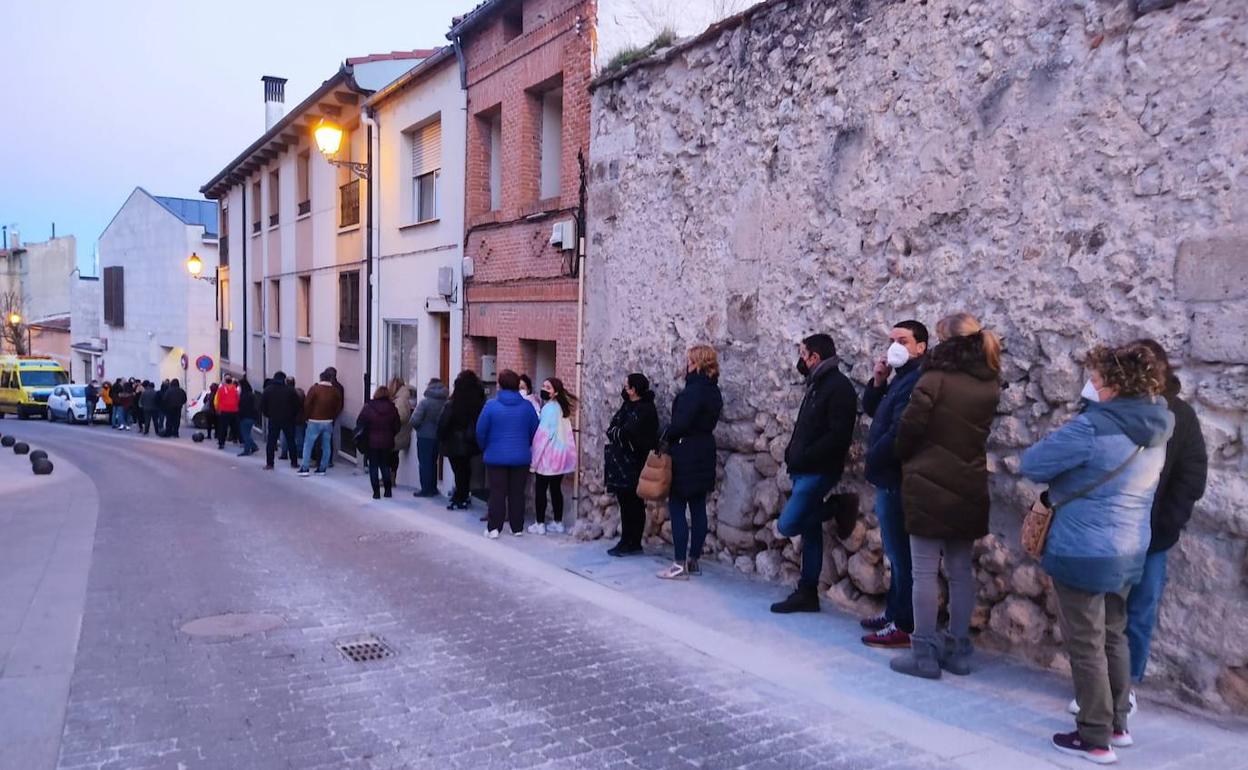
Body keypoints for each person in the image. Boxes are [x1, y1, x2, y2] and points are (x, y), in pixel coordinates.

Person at [1022, 341, 1173, 764]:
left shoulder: (1090, 427)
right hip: (1129, 547)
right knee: (1114, 633)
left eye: (1097, 377)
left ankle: (1094, 736)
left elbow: (1033, 464)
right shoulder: (1160, 424)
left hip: (1083, 549)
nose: (1091, 383)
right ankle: (1119, 723)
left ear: (1114, 384)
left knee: (1086, 643)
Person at [1064, 339, 1209, 717]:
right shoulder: (1103, 409)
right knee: (1097, 617)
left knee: (1138, 613)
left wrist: (1164, 527)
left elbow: (1191, 477)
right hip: (1101, 533)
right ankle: (1095, 692)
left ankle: (1124, 690)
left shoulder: (1179, 415)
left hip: (1151, 535)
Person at [887, 314, 1002, 678]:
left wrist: (905, 456)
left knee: (923, 572)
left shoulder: (933, 379)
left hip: (928, 483)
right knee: (959, 572)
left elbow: (909, 429)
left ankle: (922, 653)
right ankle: (959, 650)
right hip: (968, 483)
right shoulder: (990, 384)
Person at [769, 333, 858, 612]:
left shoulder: (838, 387)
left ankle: (835, 506)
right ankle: (808, 592)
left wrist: (805, 456)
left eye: (802, 354)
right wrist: (792, 454)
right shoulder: (817, 385)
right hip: (804, 468)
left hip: (817, 470)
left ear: (814, 358)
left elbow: (838, 434)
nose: (800, 360)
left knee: (787, 525)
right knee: (810, 530)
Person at [859, 319, 929, 648]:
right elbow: (874, 410)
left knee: (902, 556)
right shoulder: (902, 377)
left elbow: (900, 431)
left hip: (898, 478)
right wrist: (877, 381)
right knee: (895, 553)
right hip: (888, 477)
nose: (894, 346)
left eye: (902, 340)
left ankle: (904, 623)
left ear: (920, 347)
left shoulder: (918, 379)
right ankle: (894, 612)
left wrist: (873, 458)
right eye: (891, 340)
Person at [658, 345, 723, 580]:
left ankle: (678, 564)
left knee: (677, 506)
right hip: (706, 449)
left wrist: (666, 433)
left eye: (689, 361)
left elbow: (680, 425)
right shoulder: (714, 392)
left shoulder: (692, 392)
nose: (686, 365)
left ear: (695, 363)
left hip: (686, 451)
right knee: (698, 507)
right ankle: (694, 560)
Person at [476, 369, 540, 538]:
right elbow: (535, 429)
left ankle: (494, 528)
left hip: (496, 457)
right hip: (520, 457)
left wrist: (486, 447)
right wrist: (524, 444)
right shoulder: (527, 407)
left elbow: (480, 431)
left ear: (500, 385)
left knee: (497, 492)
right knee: (517, 493)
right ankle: (517, 527)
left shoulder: (491, 406)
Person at [604, 373, 661, 556]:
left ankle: (633, 541)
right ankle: (625, 539)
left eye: (627, 386)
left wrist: (620, 434)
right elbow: (612, 428)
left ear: (634, 389)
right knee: (624, 501)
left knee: (634, 503)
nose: (625, 389)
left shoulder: (645, 409)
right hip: (621, 462)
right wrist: (619, 433)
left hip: (635, 462)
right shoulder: (627, 406)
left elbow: (629, 433)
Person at [529, 377, 578, 535]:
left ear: (555, 392)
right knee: (556, 489)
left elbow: (542, 437)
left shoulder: (548, 409)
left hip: (547, 457)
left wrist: (534, 461)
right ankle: (558, 522)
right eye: (543, 386)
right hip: (560, 456)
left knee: (541, 489)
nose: (544, 389)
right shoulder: (561, 409)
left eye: (548, 387)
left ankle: (540, 523)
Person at [439, 371, 486, 510]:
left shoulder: (452, 404)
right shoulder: (479, 403)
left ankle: (460, 496)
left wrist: (441, 437)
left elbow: (443, 423)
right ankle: (463, 495)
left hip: (453, 442)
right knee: (465, 470)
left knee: (458, 470)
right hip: (471, 442)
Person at [355, 386, 401, 499]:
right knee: (385, 465)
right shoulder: (392, 408)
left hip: (372, 441)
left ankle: (376, 492)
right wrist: (390, 434)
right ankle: (388, 490)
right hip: (387, 441)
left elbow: (360, 422)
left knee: (373, 466)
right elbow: (397, 426)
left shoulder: (368, 407)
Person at [299, 370, 344, 476]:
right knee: (326, 445)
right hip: (328, 421)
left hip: (314, 420)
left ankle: (305, 468)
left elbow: (307, 404)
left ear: (320, 378)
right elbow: (338, 406)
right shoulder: (335, 391)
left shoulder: (314, 389)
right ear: (330, 379)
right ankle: (322, 468)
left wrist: (306, 417)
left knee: (308, 444)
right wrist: (332, 417)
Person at [410, 378, 449, 497]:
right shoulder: (445, 402)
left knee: (424, 463)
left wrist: (419, 429)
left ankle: (425, 489)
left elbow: (414, 420)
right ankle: (433, 487)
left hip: (425, 436)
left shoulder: (425, 403)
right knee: (433, 462)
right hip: (438, 436)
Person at [261, 372, 301, 470]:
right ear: (284, 379)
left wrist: (268, 414)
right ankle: (294, 462)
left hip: (273, 419)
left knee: (271, 442)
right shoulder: (290, 390)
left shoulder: (268, 390)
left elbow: (262, 406)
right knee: (291, 441)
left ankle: (270, 464)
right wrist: (292, 416)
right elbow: (297, 405)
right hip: (288, 419)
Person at [388, 378, 414, 483]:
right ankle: (390, 477)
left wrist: (391, 418)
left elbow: (403, 416)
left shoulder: (401, 399)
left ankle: (391, 478)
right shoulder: (399, 398)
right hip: (397, 432)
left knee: (391, 455)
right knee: (392, 455)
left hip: (398, 432)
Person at [324, 366, 345, 468]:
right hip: (331, 415)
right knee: (328, 438)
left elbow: (339, 404)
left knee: (326, 438)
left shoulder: (333, 387)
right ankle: (328, 460)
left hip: (328, 415)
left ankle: (327, 459)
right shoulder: (338, 387)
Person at [281, 378, 305, 461]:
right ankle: (299, 453)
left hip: (287, 418)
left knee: (285, 436)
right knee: (299, 436)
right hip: (299, 418)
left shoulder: (284, 393)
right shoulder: (300, 392)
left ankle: (284, 453)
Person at [215, 377, 241, 449]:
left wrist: (218, 409)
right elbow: (238, 399)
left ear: (225, 382)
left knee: (223, 428)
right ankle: (238, 440)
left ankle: (221, 443)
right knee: (235, 426)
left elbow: (218, 399)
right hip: (234, 410)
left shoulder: (221, 389)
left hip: (224, 410)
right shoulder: (235, 389)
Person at [237, 379, 260, 456]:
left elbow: (242, 408)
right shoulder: (251, 395)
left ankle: (247, 450)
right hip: (252, 417)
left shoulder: (244, 396)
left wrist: (239, 416)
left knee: (245, 434)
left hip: (245, 417)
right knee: (247, 433)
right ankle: (254, 446)